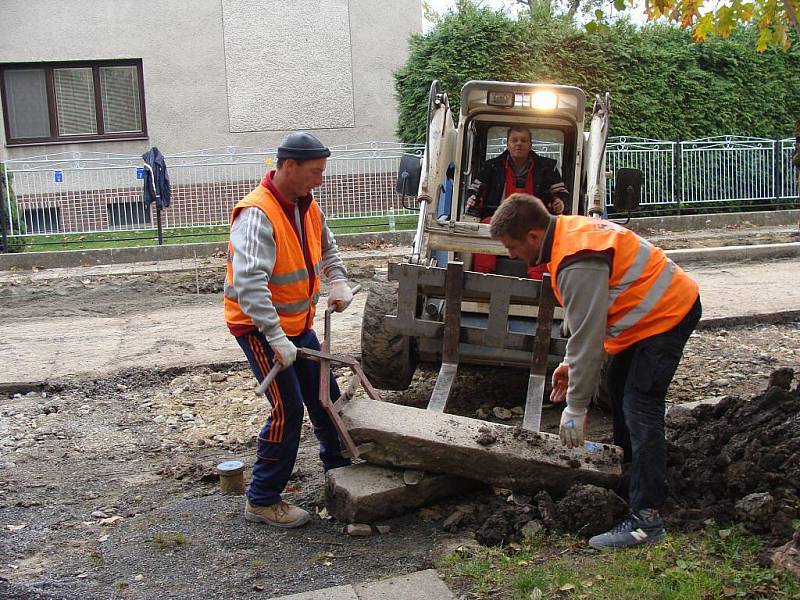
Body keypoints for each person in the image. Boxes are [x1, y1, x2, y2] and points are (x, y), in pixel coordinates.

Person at [490, 193, 701, 550]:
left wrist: (576, 407)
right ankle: (630, 476)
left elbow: (588, 336)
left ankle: (647, 519)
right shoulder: (566, 237)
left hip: (667, 316)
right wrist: (571, 365)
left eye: (511, 246)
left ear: (533, 237)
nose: (511, 255)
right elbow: (585, 324)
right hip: (645, 322)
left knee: (640, 405)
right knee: (619, 387)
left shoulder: (576, 259)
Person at [223, 132, 353, 528]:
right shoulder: (257, 214)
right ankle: (262, 499)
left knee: (326, 397)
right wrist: (277, 339)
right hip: (259, 329)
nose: (320, 180)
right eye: (315, 172)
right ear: (289, 167)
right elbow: (249, 284)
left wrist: (338, 280)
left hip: (297, 325)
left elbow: (327, 249)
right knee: (288, 409)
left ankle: (339, 467)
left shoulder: (307, 208)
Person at [465, 126, 569, 277]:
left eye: (523, 140)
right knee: (485, 226)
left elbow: (562, 194)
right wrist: (472, 197)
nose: (519, 144)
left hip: (535, 220)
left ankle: (538, 283)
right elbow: (474, 189)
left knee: (543, 233)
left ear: (530, 144)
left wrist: (560, 203)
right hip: (498, 218)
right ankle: (482, 277)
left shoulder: (548, 168)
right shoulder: (491, 166)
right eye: (514, 140)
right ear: (507, 144)